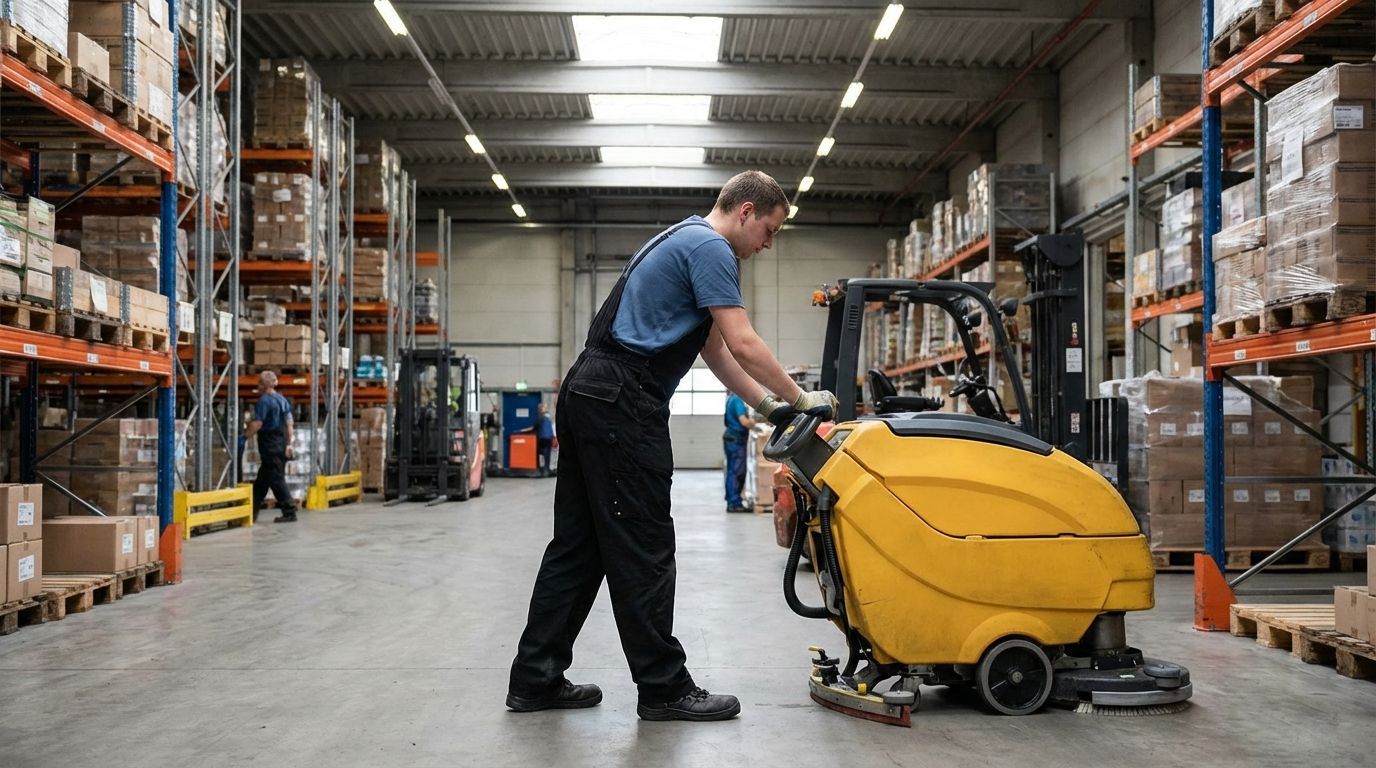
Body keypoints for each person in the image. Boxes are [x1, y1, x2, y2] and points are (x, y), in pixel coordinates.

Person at [506, 170, 838, 722]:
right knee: (644, 547)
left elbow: (717, 353)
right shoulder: (712, 248)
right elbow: (744, 341)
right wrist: (801, 397)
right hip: (622, 403)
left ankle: (534, 678)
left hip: (589, 391)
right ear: (747, 211)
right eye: (770, 231)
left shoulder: (681, 238)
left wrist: (770, 406)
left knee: (579, 547)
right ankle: (663, 687)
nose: (768, 245)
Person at [245, 370, 298, 523]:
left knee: (276, 479)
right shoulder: (282, 400)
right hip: (281, 444)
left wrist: (244, 436)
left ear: (262, 384)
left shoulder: (264, 401)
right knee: (262, 482)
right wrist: (289, 443)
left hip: (270, 445)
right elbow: (289, 423)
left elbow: (258, 423)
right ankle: (251, 512)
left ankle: (289, 510)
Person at [722, 392, 755, 513]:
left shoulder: (731, 398)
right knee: (737, 471)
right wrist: (753, 423)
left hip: (731, 437)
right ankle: (734, 503)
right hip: (736, 439)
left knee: (732, 470)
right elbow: (744, 421)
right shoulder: (737, 399)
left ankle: (732, 500)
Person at [518, 402, 557, 477]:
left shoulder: (540, 418)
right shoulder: (548, 418)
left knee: (537, 452)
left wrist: (522, 431)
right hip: (549, 438)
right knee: (547, 454)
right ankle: (546, 469)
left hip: (542, 438)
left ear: (539, 409)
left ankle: (540, 469)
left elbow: (533, 428)